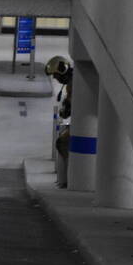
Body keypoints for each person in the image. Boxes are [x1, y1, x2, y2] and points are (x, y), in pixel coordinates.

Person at [45, 55, 73, 188]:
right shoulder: (72, 82)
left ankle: (70, 178)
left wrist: (66, 106)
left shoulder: (73, 84)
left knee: (62, 143)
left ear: (62, 70)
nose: (55, 79)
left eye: (56, 75)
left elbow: (69, 109)